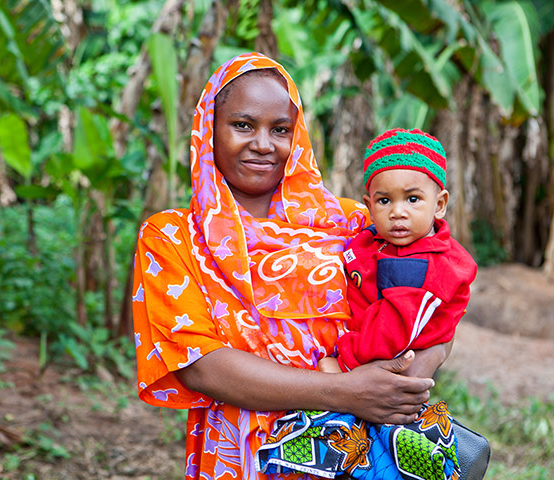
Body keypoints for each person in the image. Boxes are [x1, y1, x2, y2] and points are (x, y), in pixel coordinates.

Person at [132, 53, 448, 480]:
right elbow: (200, 364)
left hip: (360, 448)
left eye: (280, 129)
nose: (263, 144)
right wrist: (345, 392)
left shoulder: (355, 222)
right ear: (209, 127)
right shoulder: (173, 237)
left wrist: (398, 388)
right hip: (240, 452)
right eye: (243, 125)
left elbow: (439, 308)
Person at [256, 128, 477, 479]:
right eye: (384, 201)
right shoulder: (384, 245)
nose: (398, 213)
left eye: (413, 199)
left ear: (440, 203)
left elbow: (394, 331)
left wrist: (343, 366)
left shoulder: (423, 265)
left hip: (383, 371)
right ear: (368, 202)